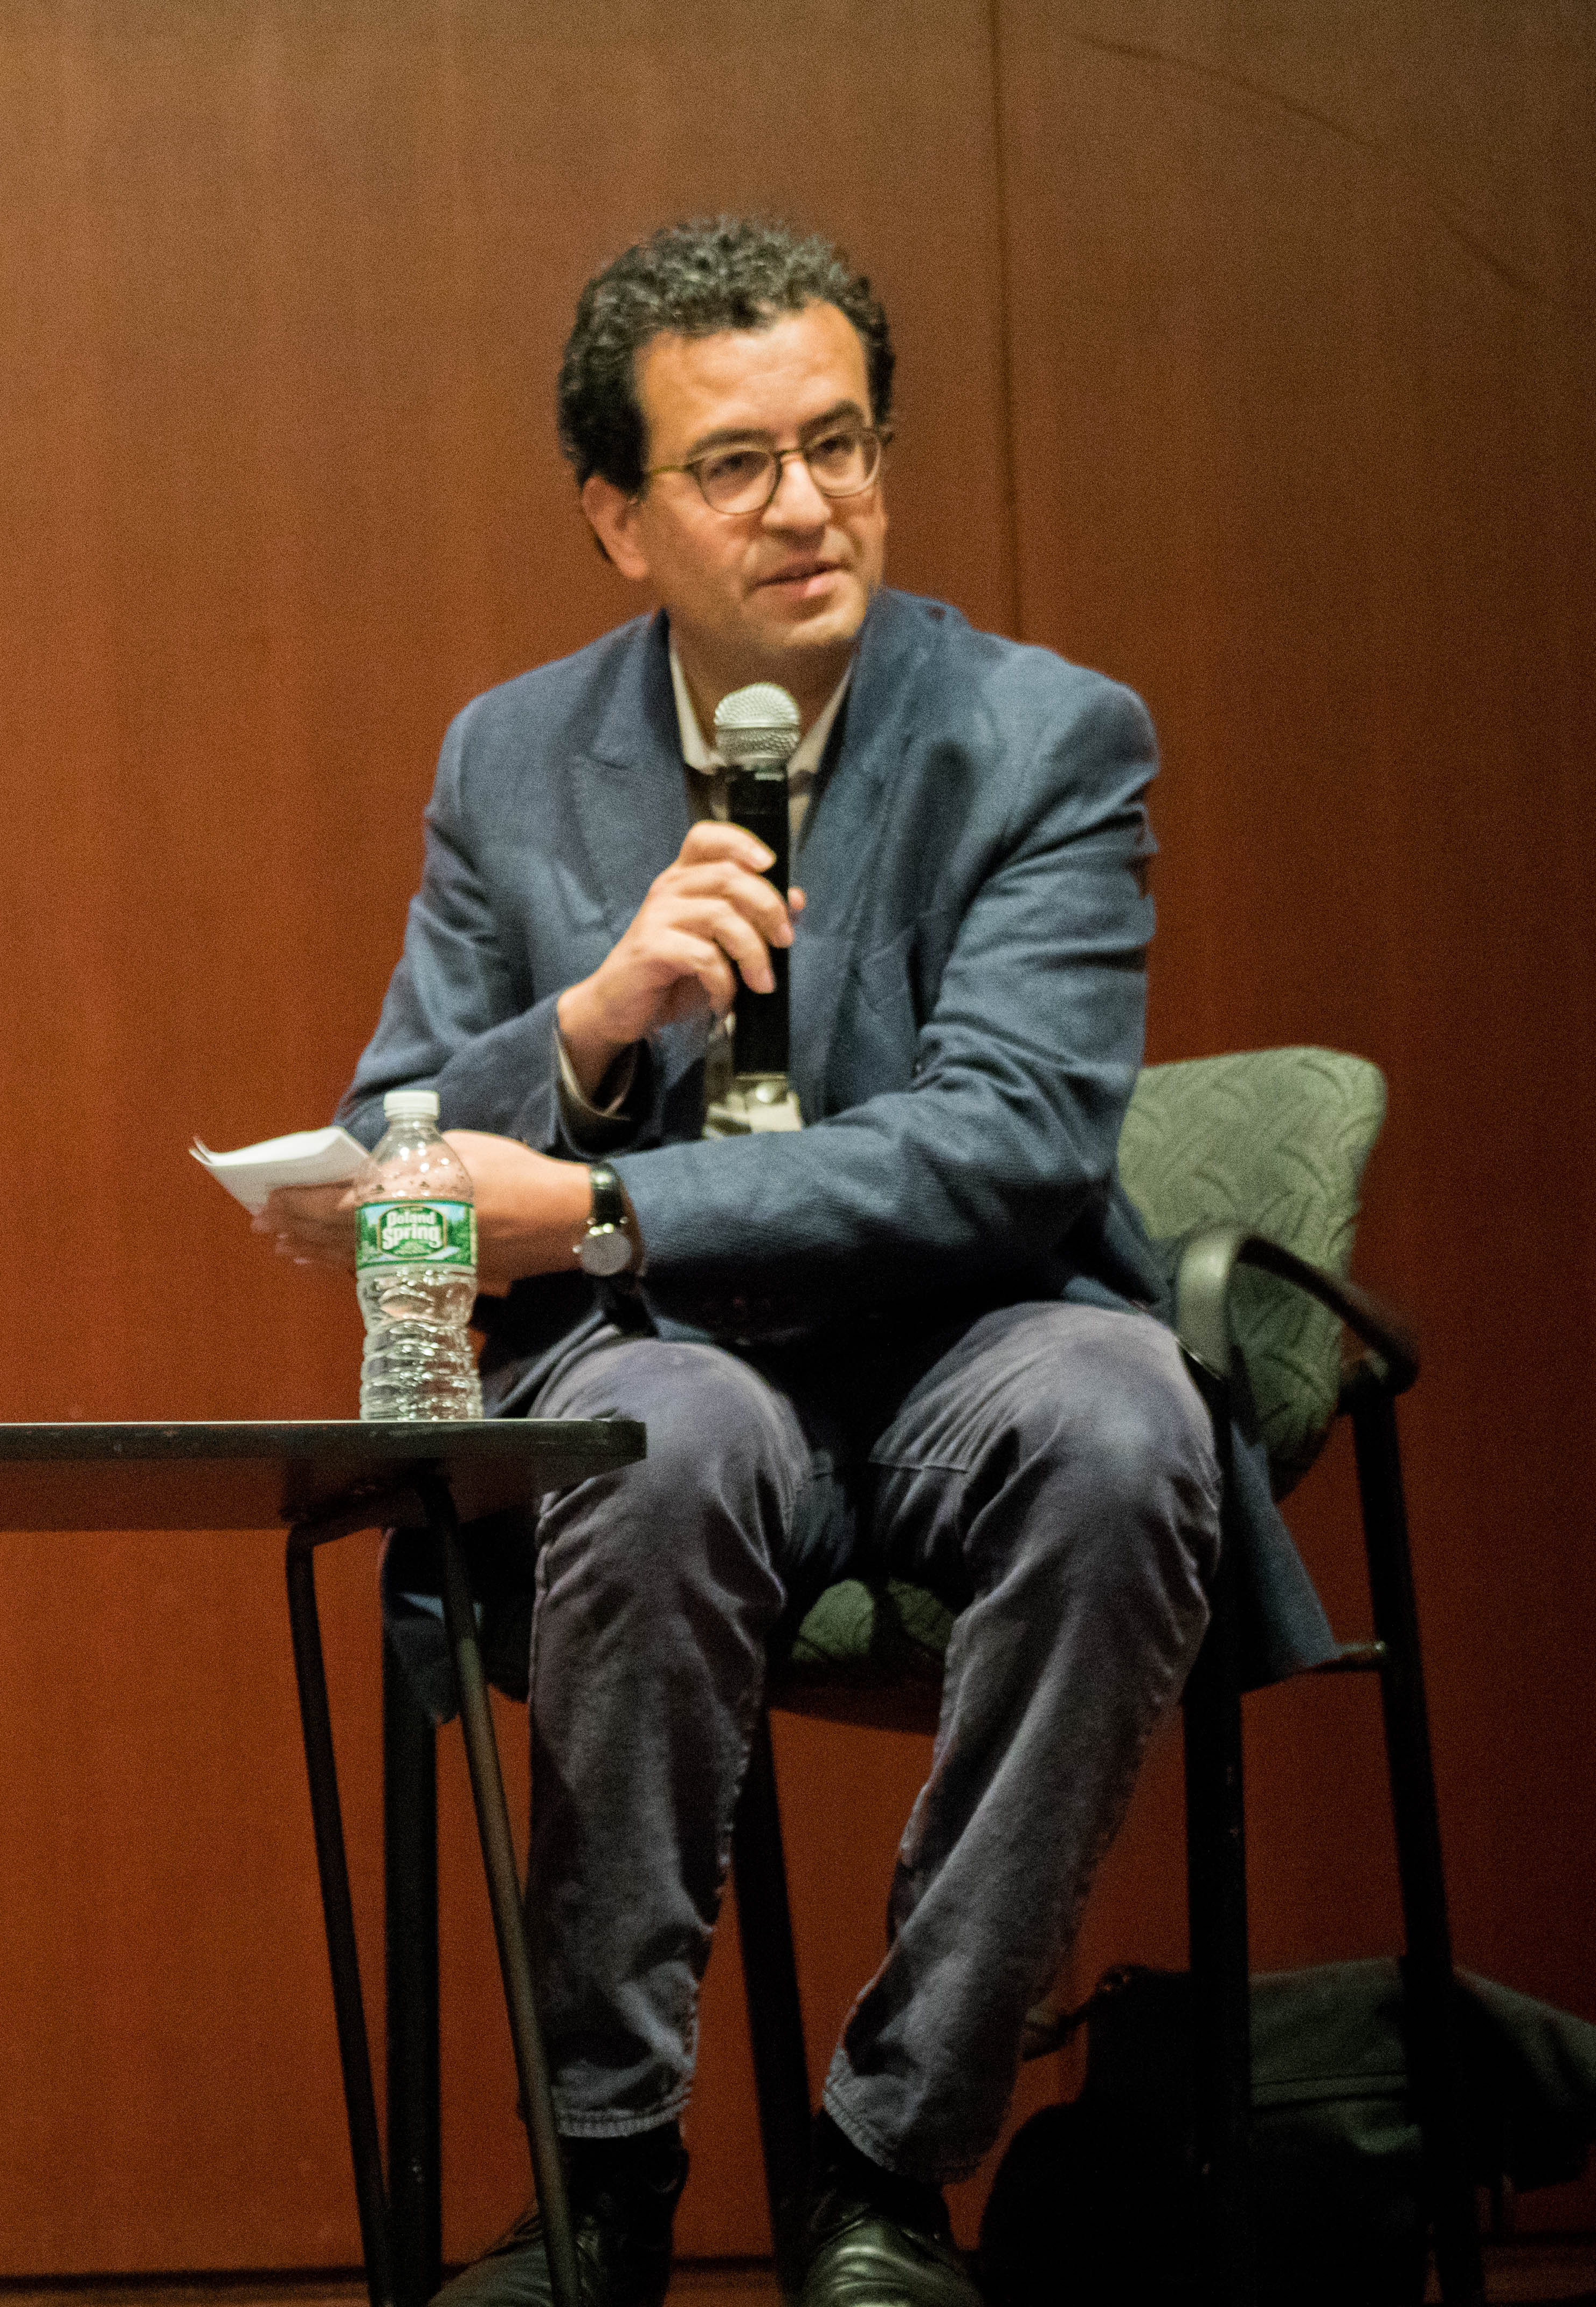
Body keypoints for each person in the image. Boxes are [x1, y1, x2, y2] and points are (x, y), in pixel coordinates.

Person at [254, 217, 1333, 2307]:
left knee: (1127, 1421)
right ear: (614, 516)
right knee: (648, 1443)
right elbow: (400, 1133)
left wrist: (603, 1202)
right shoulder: (512, 756)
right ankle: (610, 2172)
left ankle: (888, 2162)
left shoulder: (1045, 736)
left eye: (842, 444)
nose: (811, 503)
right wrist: (585, 1025)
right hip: (658, 1356)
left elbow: (1013, 1138)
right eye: (737, 465)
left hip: (969, 1336)